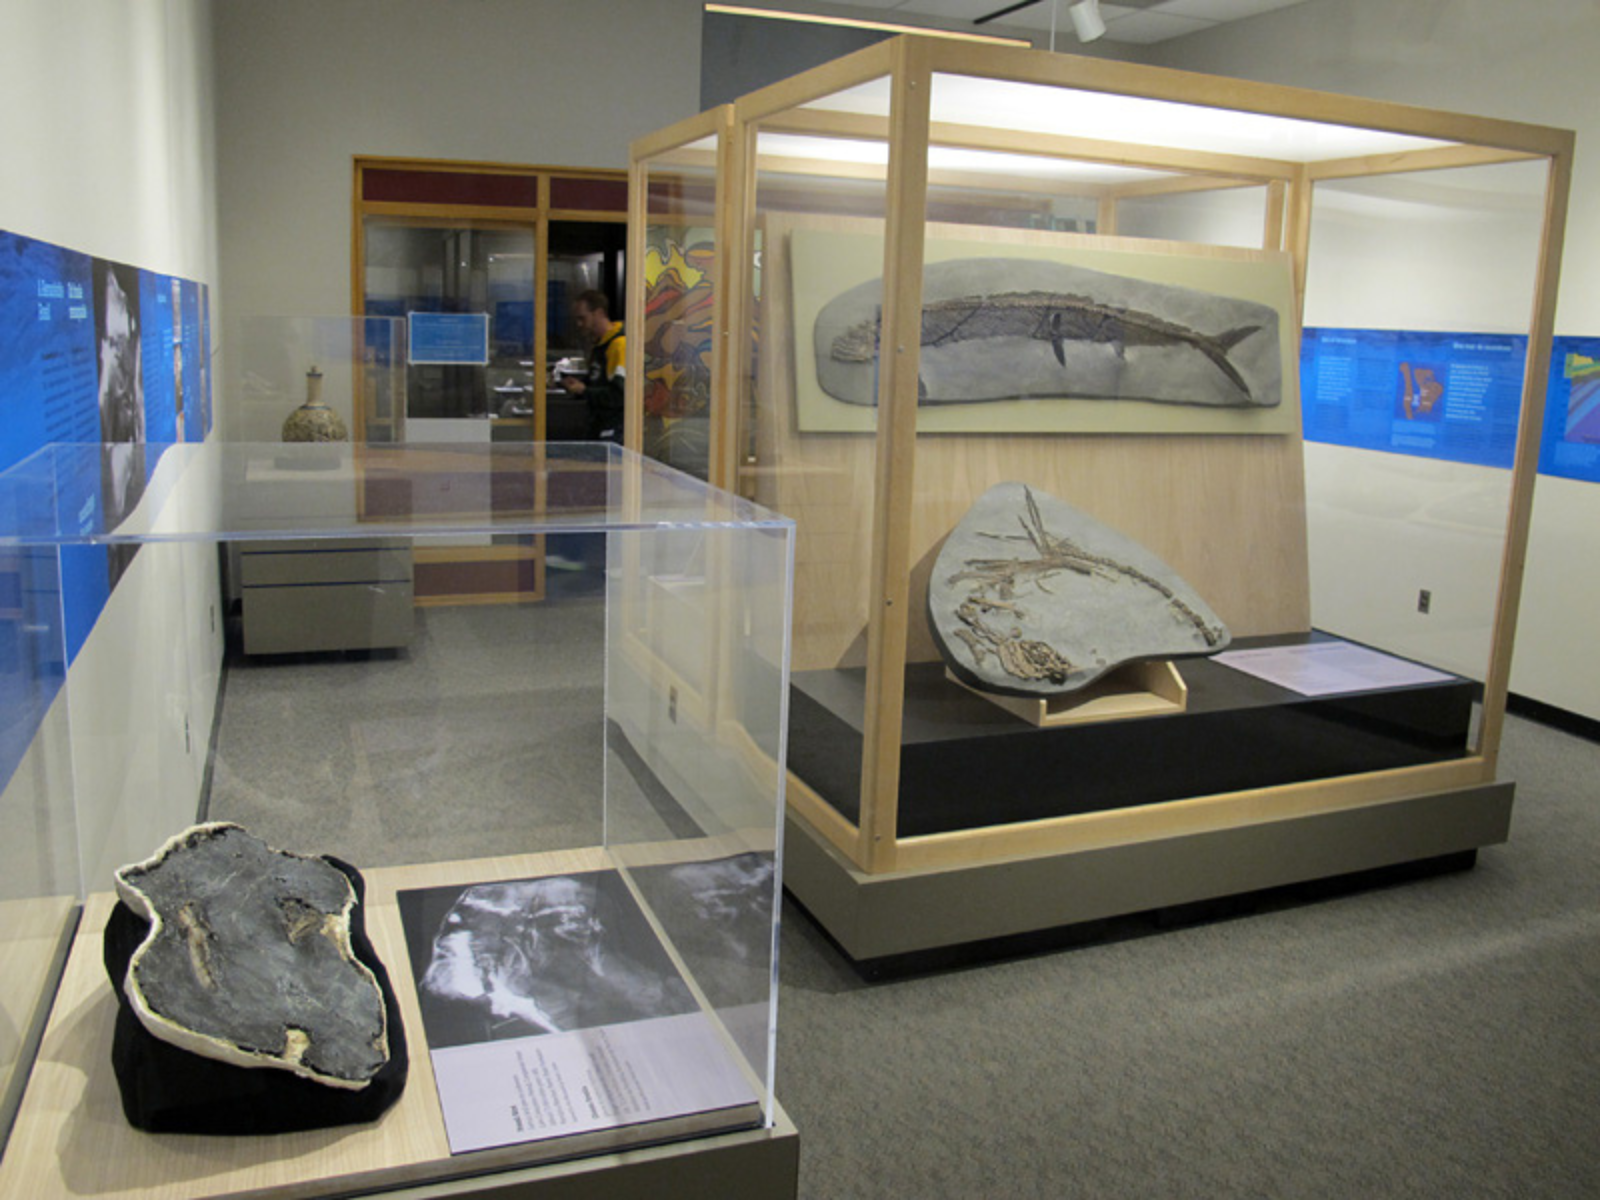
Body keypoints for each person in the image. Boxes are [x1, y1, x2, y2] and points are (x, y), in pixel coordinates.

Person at [559, 289, 625, 444]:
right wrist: (577, 385)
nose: (579, 324)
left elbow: (620, 395)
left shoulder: (619, 346)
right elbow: (596, 382)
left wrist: (584, 390)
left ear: (599, 313)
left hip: (613, 429)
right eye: (576, 319)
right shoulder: (600, 345)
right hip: (598, 425)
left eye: (583, 318)